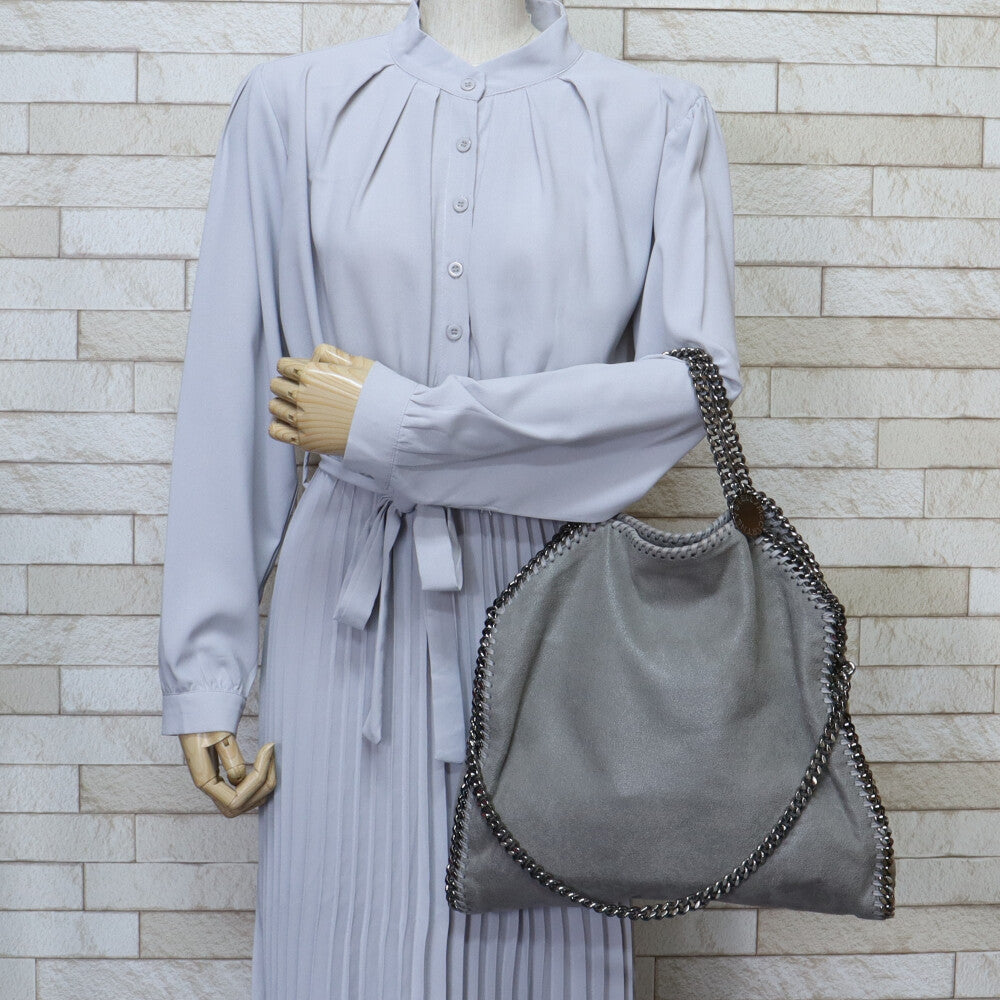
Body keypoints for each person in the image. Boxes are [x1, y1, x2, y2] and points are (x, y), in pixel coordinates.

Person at [156, 0, 743, 995]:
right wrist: (206, 669)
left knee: (543, 961)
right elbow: (233, 386)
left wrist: (405, 425)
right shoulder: (291, 106)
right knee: (340, 957)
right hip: (345, 609)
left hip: (556, 619)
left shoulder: (657, 119)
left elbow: (694, 386)